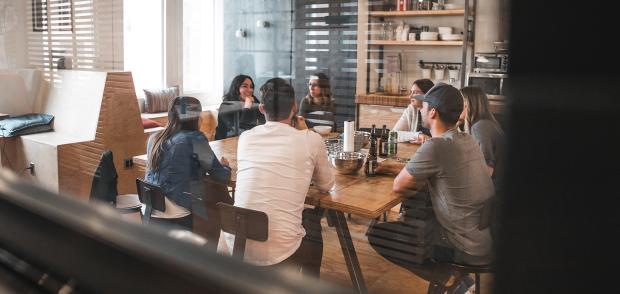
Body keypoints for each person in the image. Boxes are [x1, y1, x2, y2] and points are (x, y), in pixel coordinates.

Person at [369, 83, 495, 293]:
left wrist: (394, 172)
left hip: (461, 245)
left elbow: (399, 186)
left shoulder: (436, 146)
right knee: (417, 208)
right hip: (481, 237)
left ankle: (449, 279)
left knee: (377, 234)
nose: (421, 109)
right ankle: (458, 282)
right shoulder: (466, 139)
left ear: (433, 112)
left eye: (424, 106)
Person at [222, 78, 334, 277]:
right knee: (312, 223)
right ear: (294, 107)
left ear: (262, 108)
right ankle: (310, 285)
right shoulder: (310, 139)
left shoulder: (246, 138)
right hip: (280, 252)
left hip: (237, 244)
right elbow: (326, 185)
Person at [145, 96, 232, 230]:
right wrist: (225, 166)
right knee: (216, 196)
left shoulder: (154, 138)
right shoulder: (195, 139)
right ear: (195, 117)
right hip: (177, 212)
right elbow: (221, 176)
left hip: (151, 210)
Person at [459, 86, 504, 182]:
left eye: (459, 102)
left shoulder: (480, 127)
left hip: (494, 190)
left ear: (468, 104)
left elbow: (487, 171)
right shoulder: (488, 123)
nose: (456, 107)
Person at [215, 75, 266, 139]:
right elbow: (239, 129)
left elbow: (264, 122)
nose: (249, 90)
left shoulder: (254, 101)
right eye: (244, 86)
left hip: (247, 140)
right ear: (236, 88)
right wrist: (247, 107)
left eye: (251, 87)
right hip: (226, 142)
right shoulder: (226, 105)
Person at [392, 79, 434, 144]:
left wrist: (428, 140)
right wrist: (417, 135)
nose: (410, 96)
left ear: (427, 95)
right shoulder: (411, 109)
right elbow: (393, 134)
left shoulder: (436, 111)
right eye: (411, 92)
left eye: (415, 92)